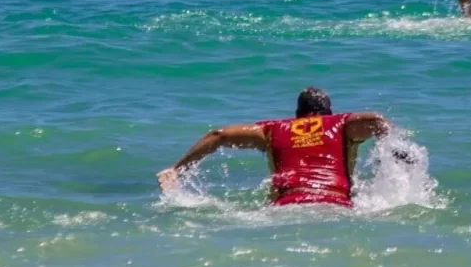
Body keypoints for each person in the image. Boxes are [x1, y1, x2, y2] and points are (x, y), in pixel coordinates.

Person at [156, 87, 407, 208]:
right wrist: (394, 147)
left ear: (297, 114)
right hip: (336, 207)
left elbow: (218, 135)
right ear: (329, 113)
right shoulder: (342, 125)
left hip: (284, 209)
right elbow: (377, 121)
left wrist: (177, 169)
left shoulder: (272, 130)